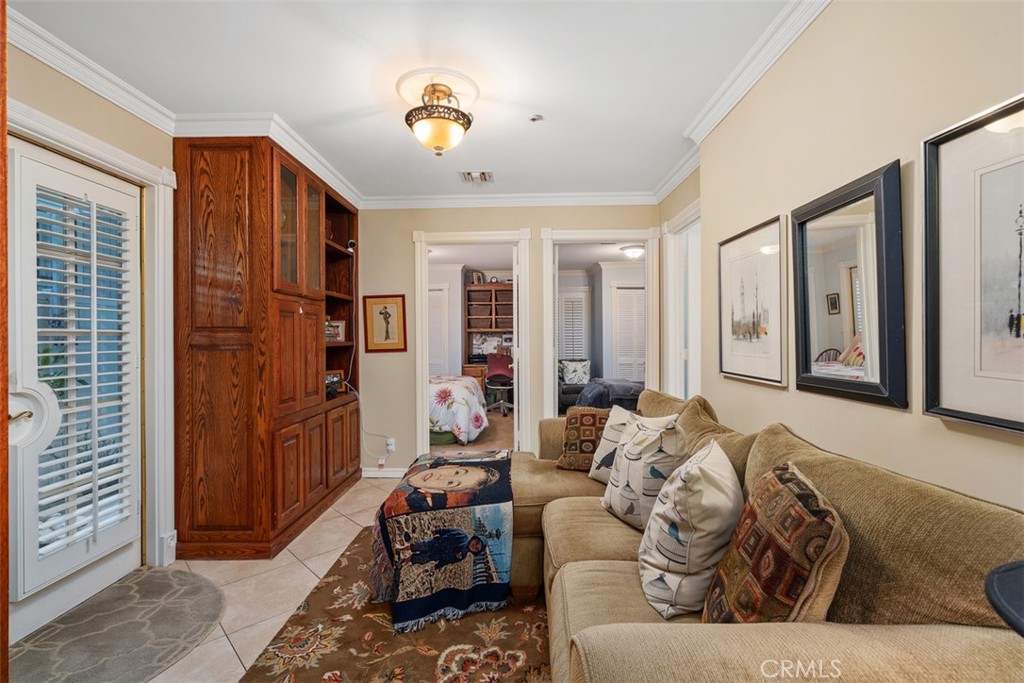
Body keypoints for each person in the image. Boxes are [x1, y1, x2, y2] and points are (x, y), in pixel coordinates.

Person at [403, 528, 487, 569]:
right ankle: (401, 548)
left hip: (434, 556)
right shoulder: (463, 535)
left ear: (475, 552)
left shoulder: (463, 556)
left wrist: (439, 565)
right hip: (433, 544)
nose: (474, 546)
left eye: (476, 549)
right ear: (474, 538)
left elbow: (448, 561)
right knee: (417, 546)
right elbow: (449, 530)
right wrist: (437, 531)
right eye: (476, 543)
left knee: (419, 559)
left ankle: (407, 559)